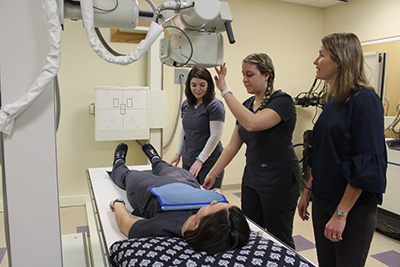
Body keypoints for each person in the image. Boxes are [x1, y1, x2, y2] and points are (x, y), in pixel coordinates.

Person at [297, 33, 387, 267]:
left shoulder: (365, 101)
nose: (316, 61)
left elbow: (366, 162)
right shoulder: (334, 100)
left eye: (321, 55)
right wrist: (308, 189)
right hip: (324, 198)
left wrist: (341, 213)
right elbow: (322, 151)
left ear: (340, 60)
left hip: (352, 208)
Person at [203, 53, 301, 249]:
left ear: (267, 75)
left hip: (279, 181)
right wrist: (212, 173)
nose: (244, 79)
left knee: (278, 237)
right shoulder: (247, 105)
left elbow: (253, 123)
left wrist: (224, 89)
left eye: (250, 74)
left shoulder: (282, 101)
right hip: (253, 180)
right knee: (250, 232)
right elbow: (232, 146)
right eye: (243, 74)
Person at [109, 143, 250, 254]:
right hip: (185, 183)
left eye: (213, 206)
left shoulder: (167, 226)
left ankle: (118, 163)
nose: (213, 201)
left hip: (150, 192)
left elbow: (125, 225)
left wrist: (118, 204)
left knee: (128, 176)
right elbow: (220, 199)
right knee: (164, 167)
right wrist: (217, 191)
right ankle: (155, 159)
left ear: (201, 224)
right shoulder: (223, 218)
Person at [169, 67, 225, 189]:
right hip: (189, 158)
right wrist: (178, 153)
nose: (197, 89)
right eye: (193, 85)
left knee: (208, 200)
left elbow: (215, 136)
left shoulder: (215, 106)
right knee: (189, 197)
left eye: (202, 85)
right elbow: (184, 130)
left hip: (209, 161)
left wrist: (200, 160)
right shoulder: (186, 104)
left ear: (209, 85)